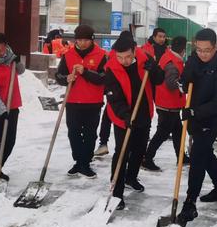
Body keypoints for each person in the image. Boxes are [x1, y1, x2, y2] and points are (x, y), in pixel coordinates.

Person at [176, 28, 217, 227]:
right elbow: (186, 79)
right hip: (195, 114)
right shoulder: (194, 59)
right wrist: (183, 83)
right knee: (205, 152)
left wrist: (193, 112)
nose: (203, 54)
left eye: (207, 50)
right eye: (199, 49)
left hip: (212, 118)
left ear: (216, 47)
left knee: (198, 154)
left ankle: (190, 203)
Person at [104, 31, 164, 209]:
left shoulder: (145, 58)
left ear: (134, 50)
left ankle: (132, 177)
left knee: (139, 150)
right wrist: (125, 115)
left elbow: (159, 79)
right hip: (122, 116)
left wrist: (154, 69)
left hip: (143, 112)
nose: (124, 61)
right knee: (122, 152)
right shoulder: (111, 68)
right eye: (120, 57)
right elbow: (114, 98)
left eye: (128, 57)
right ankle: (116, 191)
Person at [55, 25, 107, 178]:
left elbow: (103, 78)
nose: (82, 43)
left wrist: (85, 72)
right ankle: (78, 161)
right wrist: (66, 79)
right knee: (74, 133)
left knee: (90, 134)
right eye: (79, 40)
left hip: (93, 102)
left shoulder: (101, 55)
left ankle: (86, 163)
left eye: (86, 40)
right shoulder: (68, 55)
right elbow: (58, 75)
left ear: (92, 40)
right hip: (73, 101)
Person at [143, 36, 190, 171]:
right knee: (162, 133)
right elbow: (171, 84)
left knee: (178, 132)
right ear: (182, 50)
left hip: (170, 104)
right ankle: (147, 158)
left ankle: (181, 156)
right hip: (168, 104)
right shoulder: (172, 63)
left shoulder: (168, 56)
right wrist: (184, 85)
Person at [0, 33, 24, 181]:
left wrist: (17, 61)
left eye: (0, 51)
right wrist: (2, 111)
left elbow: (20, 71)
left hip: (12, 104)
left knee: (9, 140)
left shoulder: (9, 58)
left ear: (5, 47)